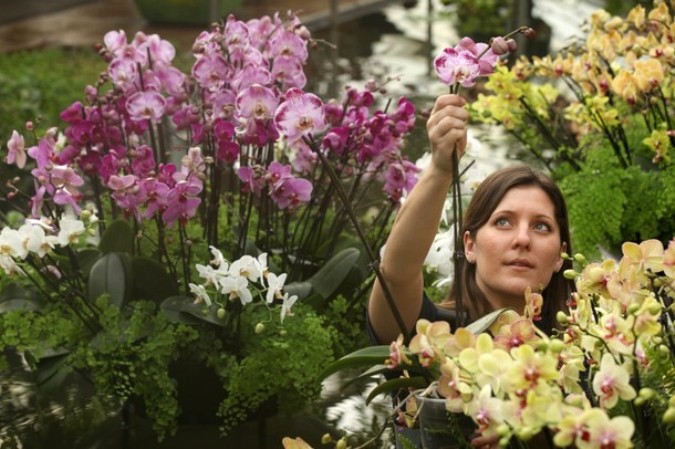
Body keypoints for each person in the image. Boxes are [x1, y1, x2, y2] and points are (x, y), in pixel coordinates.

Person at [366, 93, 575, 449]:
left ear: (560, 256)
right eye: (504, 222)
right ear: (470, 246)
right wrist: (440, 170)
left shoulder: (580, 354)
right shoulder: (434, 338)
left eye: (541, 227)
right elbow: (397, 273)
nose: (522, 238)